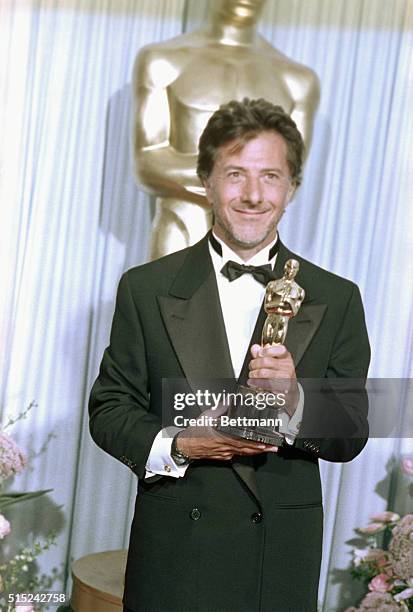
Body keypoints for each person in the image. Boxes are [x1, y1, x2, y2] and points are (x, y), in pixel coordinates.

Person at [89, 98, 370, 612]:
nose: (253, 195)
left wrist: (295, 400)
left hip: (278, 564)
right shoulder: (145, 288)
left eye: (270, 176)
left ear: (292, 189)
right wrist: (181, 444)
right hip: (175, 555)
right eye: (235, 174)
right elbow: (109, 409)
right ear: (206, 182)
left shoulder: (338, 296)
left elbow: (351, 430)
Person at [132, 0, 319, 259]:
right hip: (181, 233)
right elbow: (148, 162)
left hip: (252, 244)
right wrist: (239, 176)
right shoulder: (163, 61)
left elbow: (290, 177)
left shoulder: (297, 81)